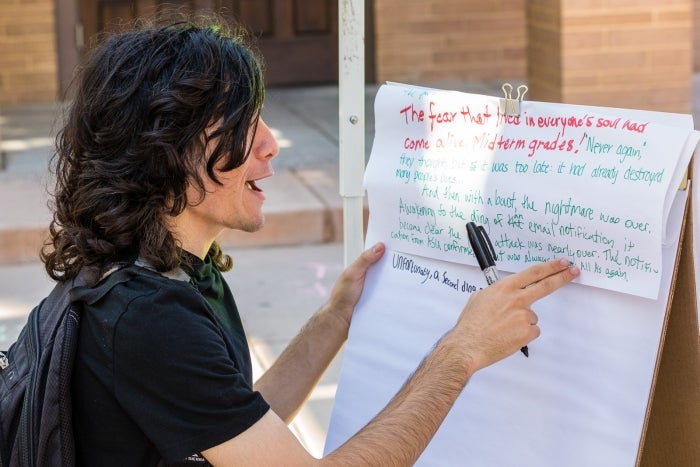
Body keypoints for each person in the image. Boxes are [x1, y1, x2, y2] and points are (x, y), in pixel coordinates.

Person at [43, 15, 579, 467]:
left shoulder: (171, 269)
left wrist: (333, 320)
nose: (271, 145)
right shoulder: (146, 316)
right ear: (163, 149)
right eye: (239, 125)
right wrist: (461, 353)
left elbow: (238, 428)